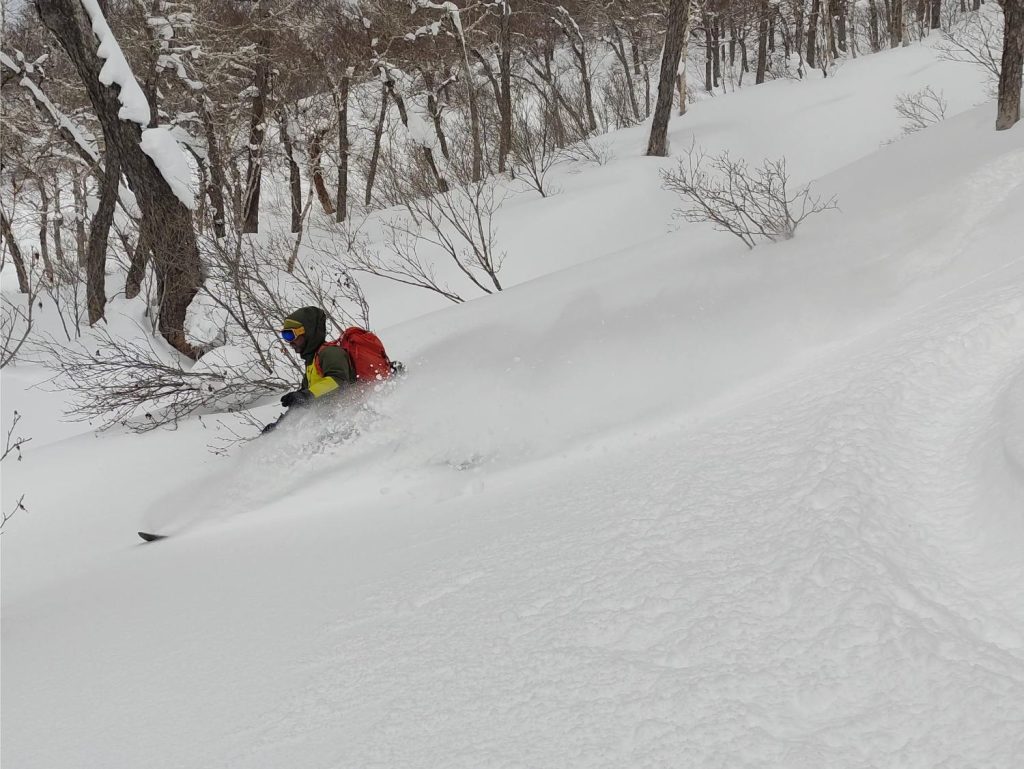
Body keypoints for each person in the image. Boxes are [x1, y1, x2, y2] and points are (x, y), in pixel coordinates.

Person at [262, 306, 355, 433]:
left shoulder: (331, 353)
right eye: (285, 336)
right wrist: (279, 426)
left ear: (308, 332)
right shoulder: (312, 363)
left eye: (290, 335)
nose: (289, 342)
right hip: (330, 424)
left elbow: (338, 380)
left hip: (350, 420)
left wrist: (307, 395)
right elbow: (302, 402)